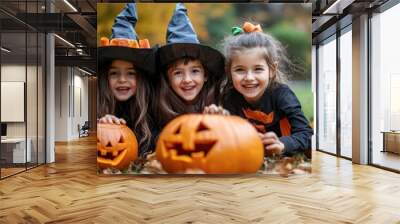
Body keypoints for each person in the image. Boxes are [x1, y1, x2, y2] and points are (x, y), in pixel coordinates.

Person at [210, 21, 313, 157]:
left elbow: (307, 134)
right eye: (240, 70)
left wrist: (283, 144)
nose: (249, 77)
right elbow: (231, 137)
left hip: (285, 155)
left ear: (272, 70)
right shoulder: (230, 97)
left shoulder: (282, 95)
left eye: (258, 69)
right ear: (229, 71)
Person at [98, 3, 157, 157]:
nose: (122, 80)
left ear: (140, 77)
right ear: (106, 77)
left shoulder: (151, 110)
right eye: (114, 73)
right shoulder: (97, 106)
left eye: (130, 73)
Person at [154, 3, 225, 127]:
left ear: (205, 75)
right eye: (178, 73)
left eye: (195, 71)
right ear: (168, 79)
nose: (187, 80)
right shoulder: (158, 106)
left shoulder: (218, 101)